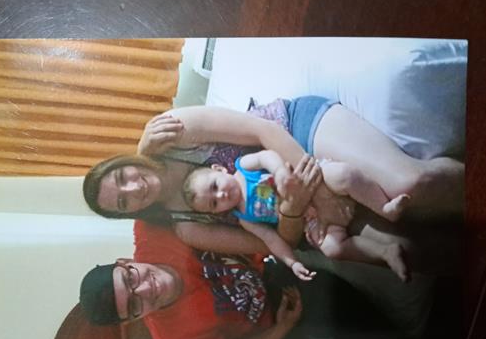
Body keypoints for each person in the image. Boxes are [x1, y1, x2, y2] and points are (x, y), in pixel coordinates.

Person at [83, 95, 463, 256]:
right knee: (410, 250)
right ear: (131, 213)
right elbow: (277, 245)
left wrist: (321, 194)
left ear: (124, 162)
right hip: (302, 209)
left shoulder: (169, 133)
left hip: (295, 132)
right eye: (123, 201)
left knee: (410, 185)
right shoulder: (188, 227)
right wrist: (297, 209)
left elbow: (263, 131)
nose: (133, 187)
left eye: (122, 176)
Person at [79, 220, 406, 339]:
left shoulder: (152, 230)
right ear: (135, 319)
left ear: (126, 261)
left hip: (271, 280)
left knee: (337, 300)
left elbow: (153, 176)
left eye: (130, 279)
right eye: (134, 305)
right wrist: (281, 328)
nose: (145, 290)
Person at [182, 149, 410, 281]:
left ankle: (384, 208)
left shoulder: (243, 168)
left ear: (219, 170)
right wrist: (291, 262)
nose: (221, 195)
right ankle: (385, 252)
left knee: (344, 175)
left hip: (319, 186)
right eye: (214, 203)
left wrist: (279, 171)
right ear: (217, 213)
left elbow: (265, 156)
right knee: (333, 249)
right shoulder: (245, 220)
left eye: (215, 186)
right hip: (312, 220)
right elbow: (271, 240)